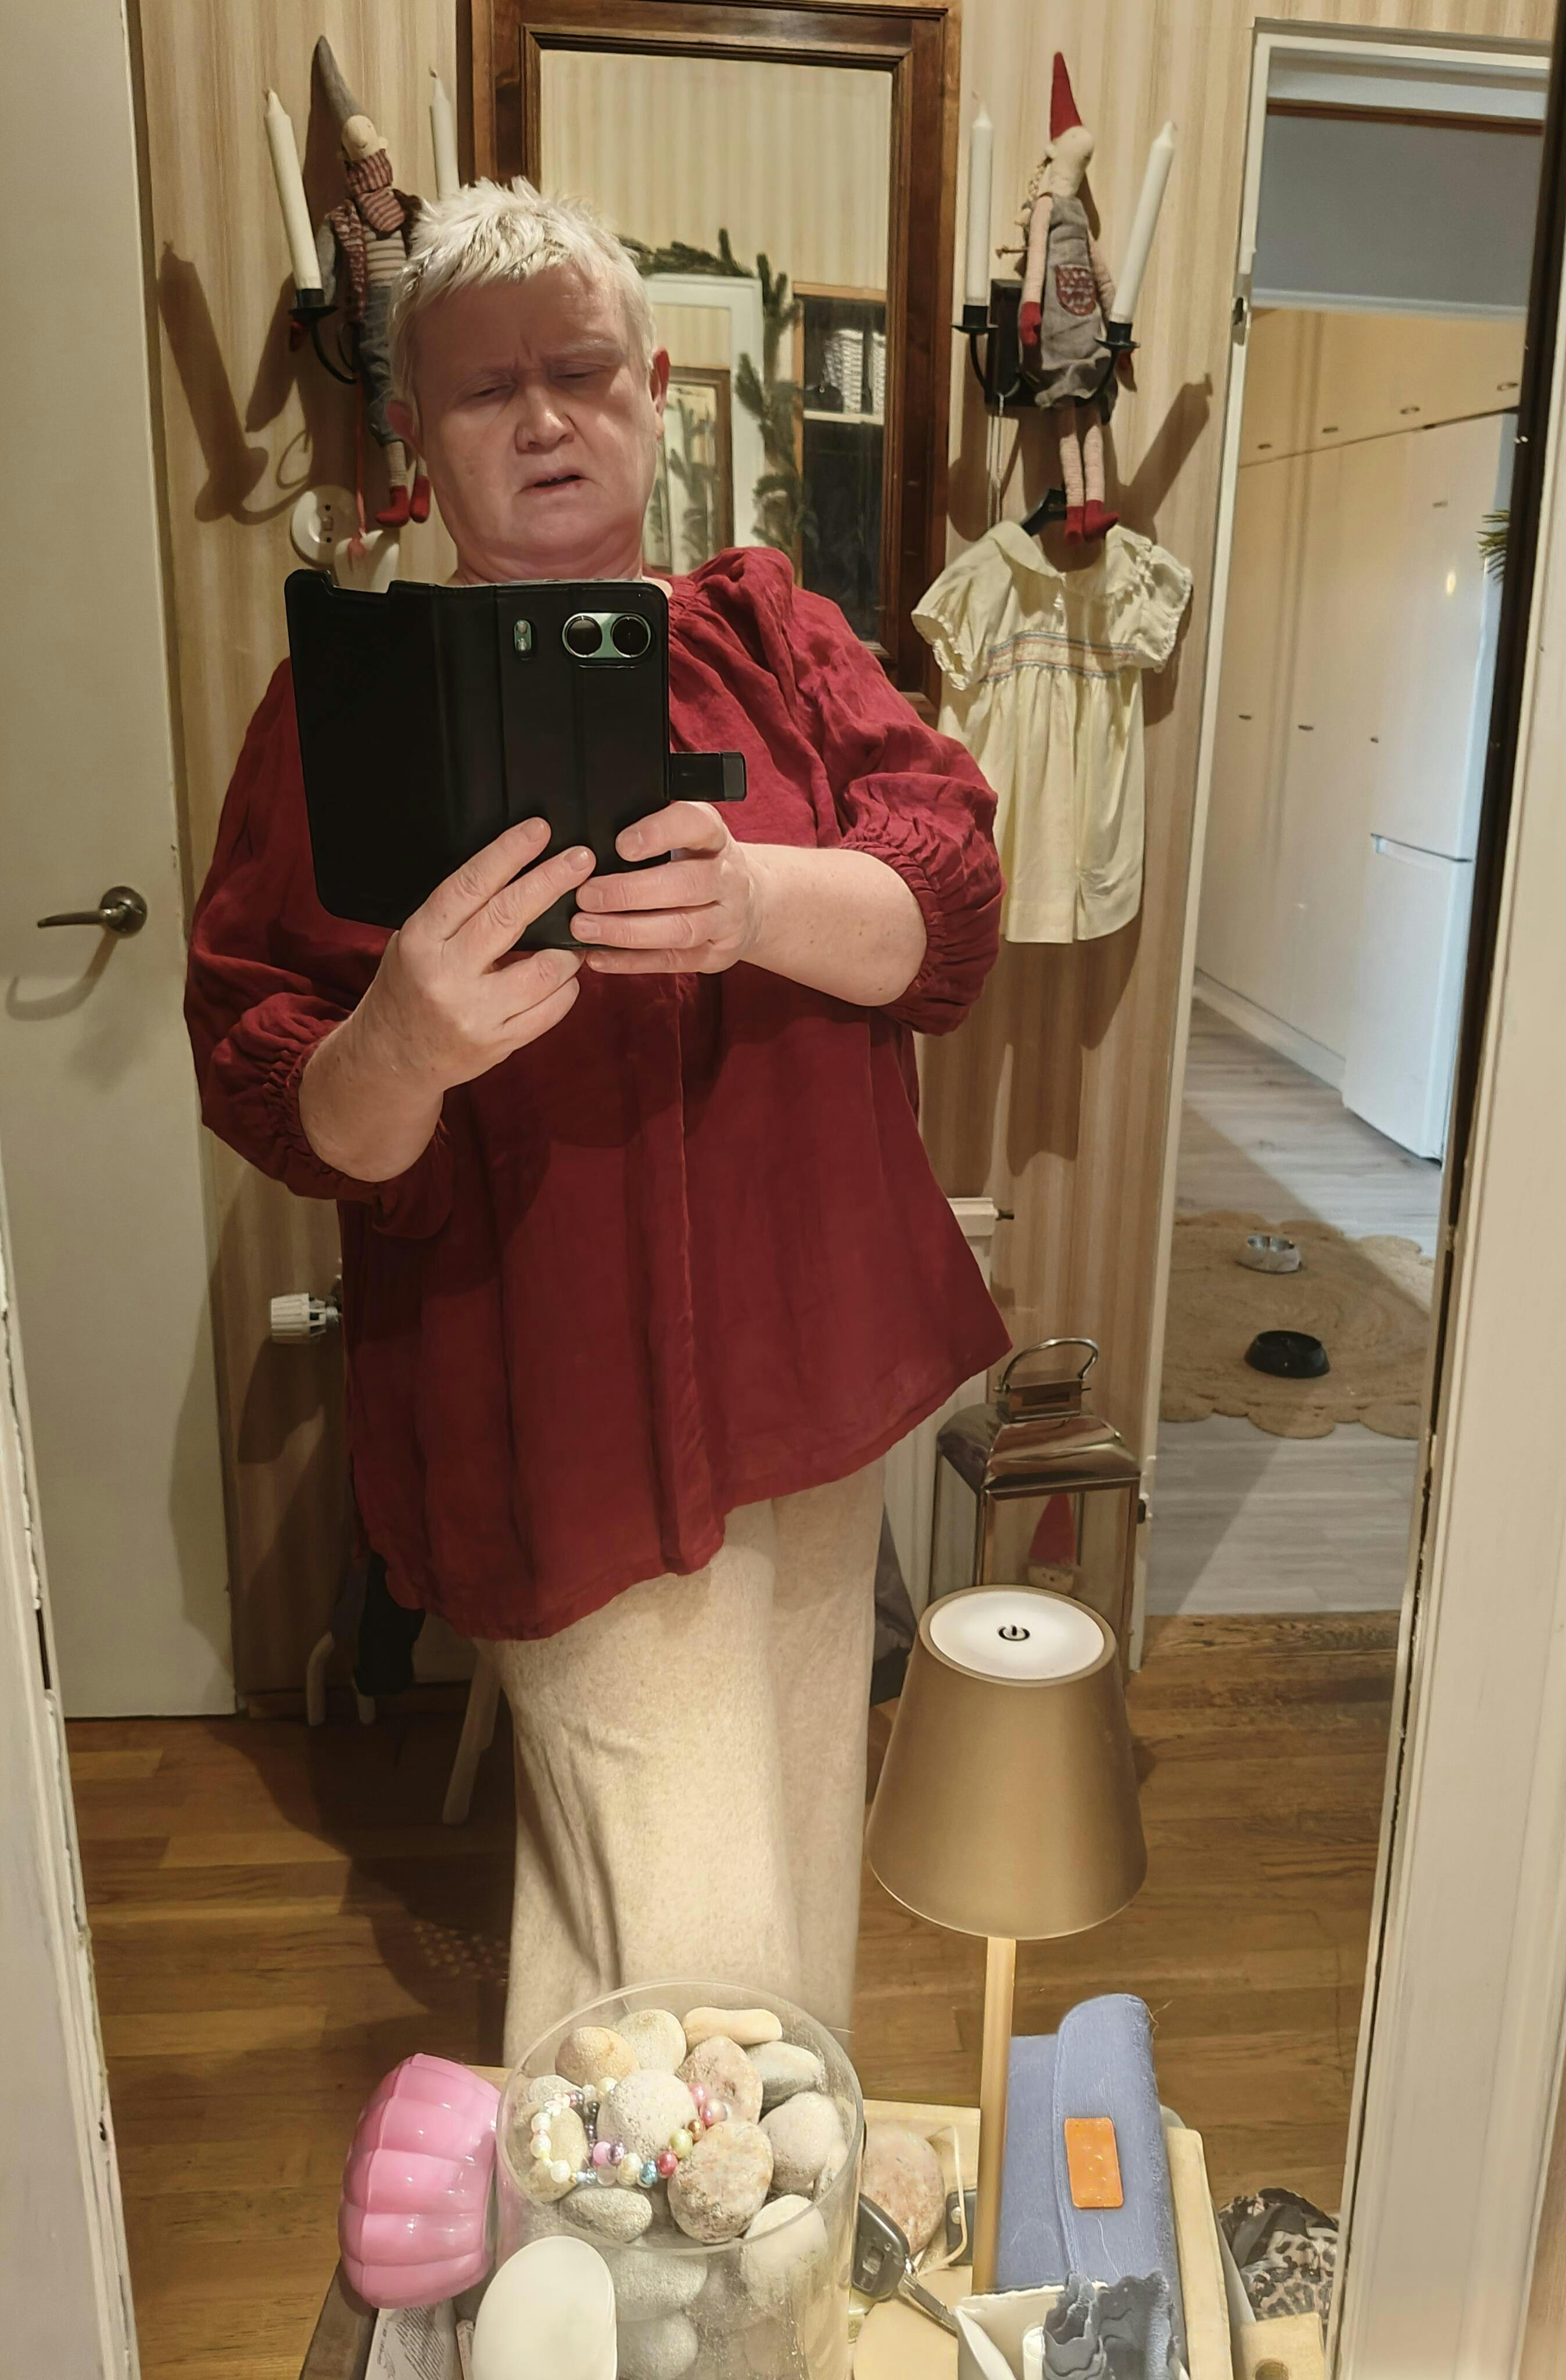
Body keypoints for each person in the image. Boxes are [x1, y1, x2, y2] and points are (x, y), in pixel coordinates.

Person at [185, 180, 1009, 2058]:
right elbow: (275, 1080)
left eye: (581, 373)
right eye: (489, 391)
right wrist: (404, 1041)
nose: (545, 420)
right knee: (706, 1954)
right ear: (419, 432)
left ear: (655, 392)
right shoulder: (342, 716)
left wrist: (755, 899)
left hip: (809, 1380)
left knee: (764, 1862)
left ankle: (650, 2214)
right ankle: (724, 2215)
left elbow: (950, 905)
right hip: (542, 1420)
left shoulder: (774, 633)